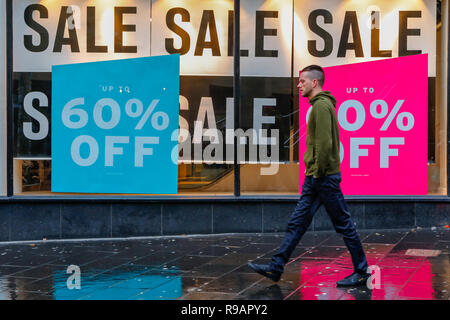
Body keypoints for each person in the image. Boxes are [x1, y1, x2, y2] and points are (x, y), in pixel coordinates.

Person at [248, 65, 370, 287]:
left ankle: (362, 272)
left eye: (302, 81)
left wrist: (317, 173)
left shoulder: (322, 106)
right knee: (297, 223)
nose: (298, 84)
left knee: (344, 224)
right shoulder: (317, 106)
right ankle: (276, 268)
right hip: (315, 177)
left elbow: (325, 144)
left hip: (322, 177)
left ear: (315, 83)